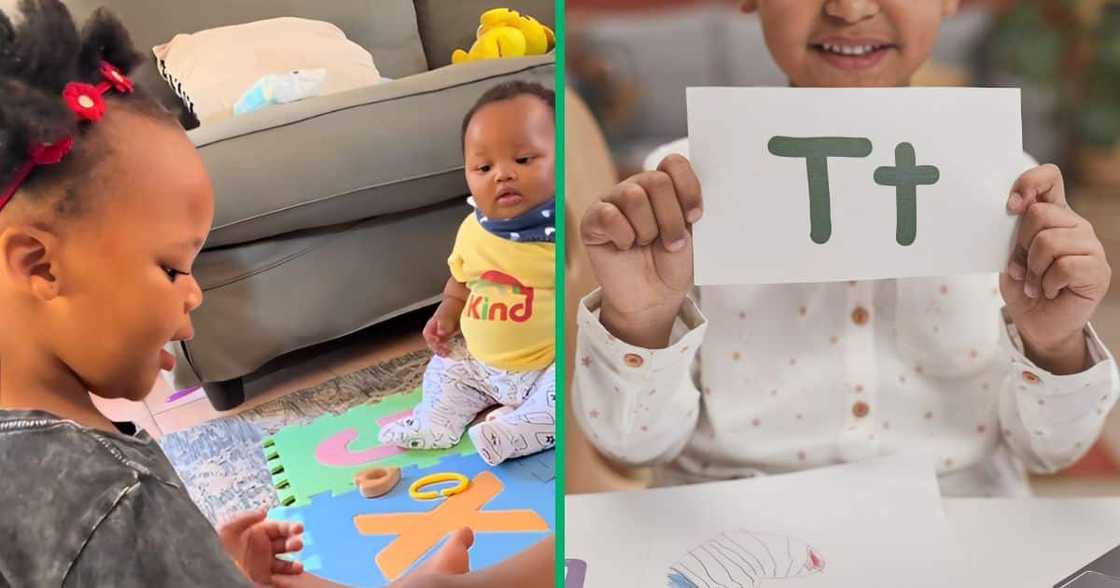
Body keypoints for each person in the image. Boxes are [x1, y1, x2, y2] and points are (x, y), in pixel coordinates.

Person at [573, 0, 1118, 497]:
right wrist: (640, 323)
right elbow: (631, 447)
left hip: (961, 520)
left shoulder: (1009, 188)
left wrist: (1054, 346)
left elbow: (1049, 452)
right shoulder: (681, 191)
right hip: (729, 517)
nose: (850, 9)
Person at [380, 81, 557, 467]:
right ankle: (435, 423)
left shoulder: (570, 235)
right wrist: (445, 314)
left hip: (546, 366)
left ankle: (521, 430)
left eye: (524, 160)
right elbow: (460, 283)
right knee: (446, 370)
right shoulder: (473, 229)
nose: (502, 175)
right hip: (480, 365)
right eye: (484, 167)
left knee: (577, 382)